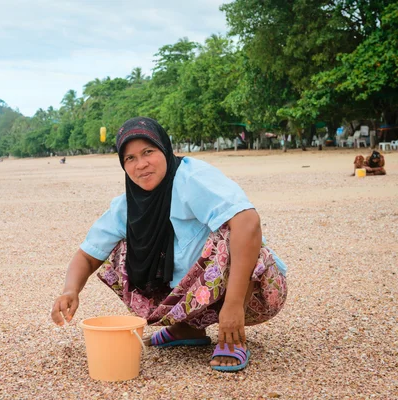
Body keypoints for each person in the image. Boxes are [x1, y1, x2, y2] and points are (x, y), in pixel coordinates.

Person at [51, 117, 288, 372]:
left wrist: (232, 307)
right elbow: (88, 255)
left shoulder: (191, 178)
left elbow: (249, 222)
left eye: (148, 152)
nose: (141, 164)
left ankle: (232, 335)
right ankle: (187, 327)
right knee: (120, 251)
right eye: (130, 158)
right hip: (195, 295)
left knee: (231, 228)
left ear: (163, 148)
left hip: (254, 291)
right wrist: (70, 290)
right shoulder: (127, 205)